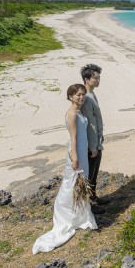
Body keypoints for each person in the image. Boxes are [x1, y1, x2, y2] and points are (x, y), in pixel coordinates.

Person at [32, 84, 97, 254]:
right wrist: (75, 158)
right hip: (77, 153)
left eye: (83, 95)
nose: (81, 98)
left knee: (81, 185)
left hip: (83, 152)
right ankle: (66, 215)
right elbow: (73, 139)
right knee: (71, 184)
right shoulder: (72, 114)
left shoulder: (80, 111)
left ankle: (81, 215)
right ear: (70, 97)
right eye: (77, 95)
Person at [80, 64, 110, 210]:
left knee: (94, 172)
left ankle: (93, 197)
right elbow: (90, 124)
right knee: (89, 174)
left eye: (99, 77)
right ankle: (89, 205)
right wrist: (94, 146)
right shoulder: (85, 97)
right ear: (86, 79)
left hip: (96, 141)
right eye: (95, 78)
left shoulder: (91, 94)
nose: (98, 80)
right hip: (91, 143)